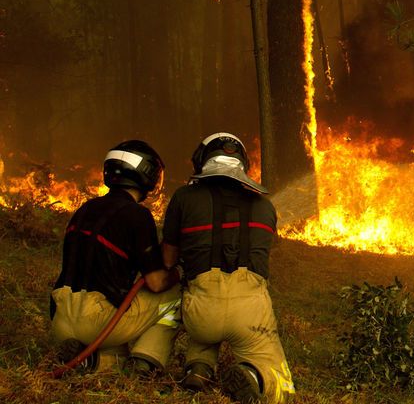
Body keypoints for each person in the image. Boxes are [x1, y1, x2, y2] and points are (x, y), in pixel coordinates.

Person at [162, 132, 294, 403]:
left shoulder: (184, 197)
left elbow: (167, 261)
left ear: (201, 161)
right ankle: (254, 376)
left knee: (206, 318)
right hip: (250, 314)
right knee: (278, 379)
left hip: (201, 313)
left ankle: (198, 368)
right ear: (243, 164)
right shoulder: (265, 206)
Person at [51, 140, 181, 375]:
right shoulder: (137, 215)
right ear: (148, 174)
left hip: (61, 317)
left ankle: (89, 362)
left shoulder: (85, 209)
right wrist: (179, 272)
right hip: (98, 319)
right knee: (176, 295)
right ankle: (147, 360)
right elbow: (155, 282)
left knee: (117, 360)